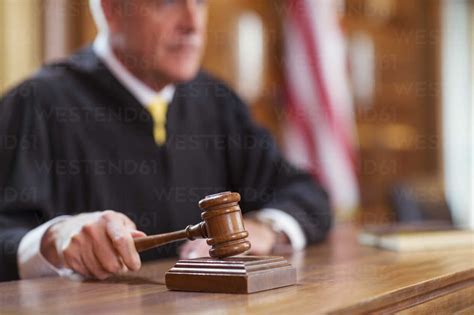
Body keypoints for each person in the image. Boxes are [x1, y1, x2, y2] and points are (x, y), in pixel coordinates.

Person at [0, 0, 331, 282]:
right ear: (112, 9)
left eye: (200, 1)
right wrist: (53, 239)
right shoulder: (36, 104)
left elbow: (307, 195)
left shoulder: (217, 101)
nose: (192, 23)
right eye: (167, 1)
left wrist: (264, 228)